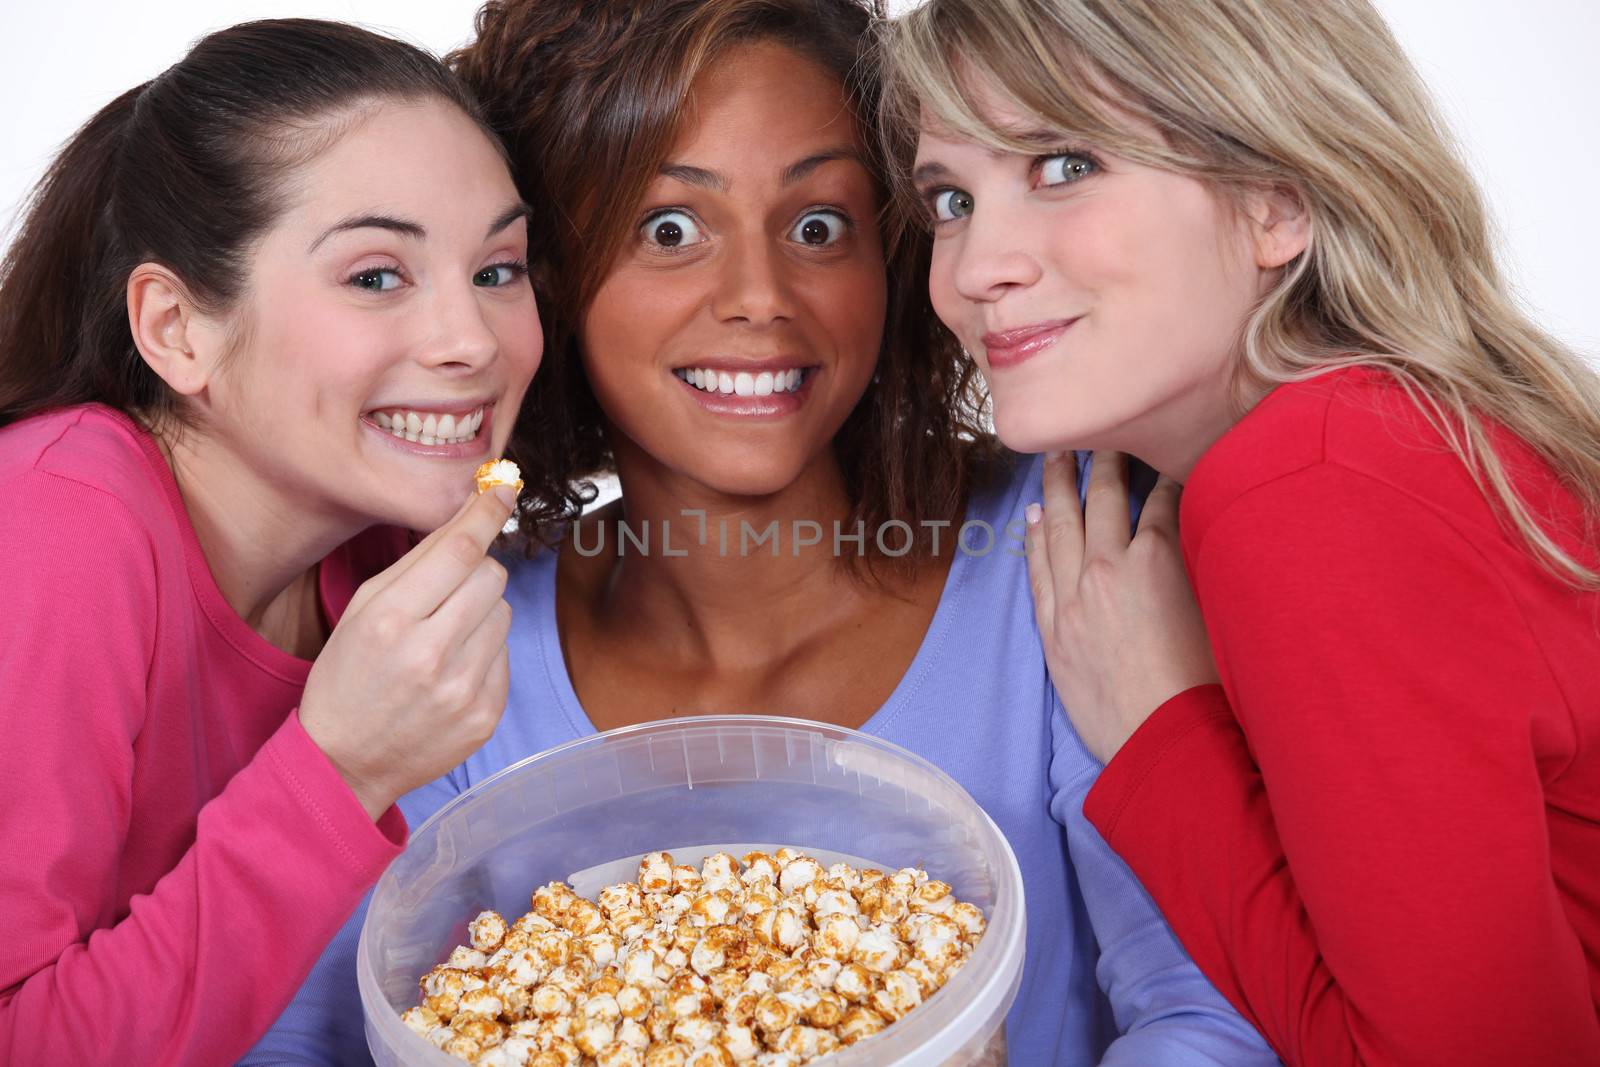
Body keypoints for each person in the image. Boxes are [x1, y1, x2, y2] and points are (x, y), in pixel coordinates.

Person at [246, 1, 1278, 1065]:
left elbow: (1211, 1017)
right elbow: (294, 1039)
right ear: (543, 275)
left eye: (819, 225)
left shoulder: (1063, 546)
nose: (759, 296)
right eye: (671, 230)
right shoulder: (449, 641)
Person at [881, 0, 1600, 1062]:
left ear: (1277, 199)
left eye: (1063, 164)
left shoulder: (1309, 483)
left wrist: (1158, 729)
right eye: (950, 198)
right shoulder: (1385, 437)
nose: (975, 267)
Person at [0, 19, 542, 1064]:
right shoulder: (52, 526)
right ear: (177, 330)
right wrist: (337, 769)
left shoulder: (379, 555)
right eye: (376, 275)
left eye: (498, 268)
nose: (472, 341)